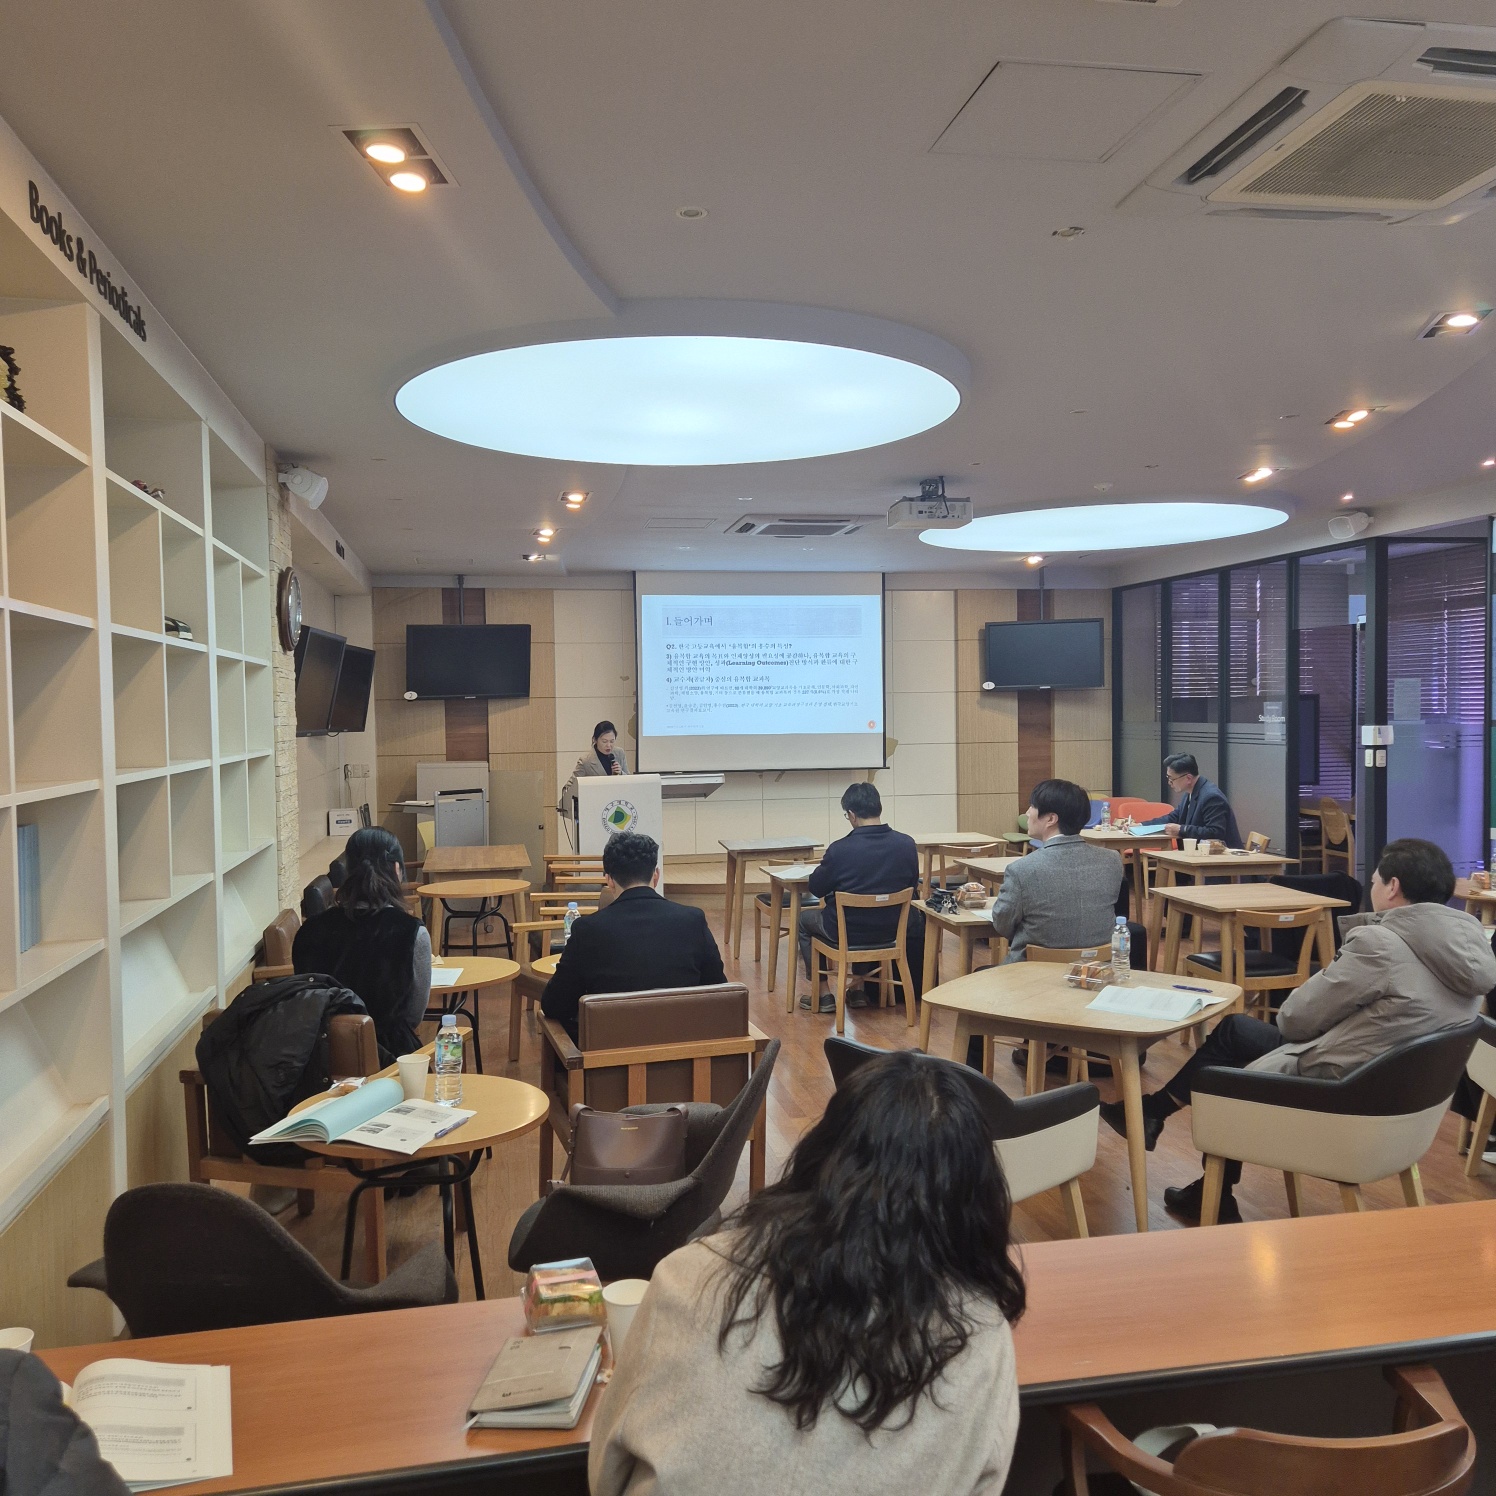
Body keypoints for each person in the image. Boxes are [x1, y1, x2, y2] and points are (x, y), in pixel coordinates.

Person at [588, 1049, 1025, 1496]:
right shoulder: (981, 1337)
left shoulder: (688, 1278)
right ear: (975, 1200)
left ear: (821, 1156)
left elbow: (606, 1472)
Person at [1101, 838, 1496, 1224]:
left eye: (1375, 879)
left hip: (1342, 1092)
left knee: (1222, 1076)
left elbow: (1293, 1020)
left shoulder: (1381, 945)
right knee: (1236, 1031)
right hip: (1400, 1100)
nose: (1372, 886)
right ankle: (1167, 1133)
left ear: (1393, 887)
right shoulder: (1468, 947)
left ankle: (1199, 1173)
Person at [986, 778, 1142, 1074]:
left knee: (974, 985)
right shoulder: (1111, 861)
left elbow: (1002, 925)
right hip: (1095, 973)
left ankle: (975, 1084)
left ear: (1050, 819)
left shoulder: (1021, 869)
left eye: (1032, 807)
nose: (1027, 813)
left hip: (1033, 978)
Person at [541, 831, 725, 1041]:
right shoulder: (692, 920)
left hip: (611, 1054)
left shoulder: (587, 929)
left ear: (609, 880)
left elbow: (554, 1004)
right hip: (684, 1052)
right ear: (656, 875)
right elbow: (718, 991)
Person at [292, 826, 430, 1059]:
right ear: (397, 869)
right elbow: (414, 1015)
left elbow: (306, 1001)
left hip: (319, 1058)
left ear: (348, 871)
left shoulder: (309, 930)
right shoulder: (411, 932)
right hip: (389, 1058)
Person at [800, 783, 923, 1015]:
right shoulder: (907, 844)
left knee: (805, 921)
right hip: (893, 930)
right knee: (868, 915)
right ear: (879, 808)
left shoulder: (840, 850)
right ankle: (857, 989)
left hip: (847, 931)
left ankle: (823, 994)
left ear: (852, 815)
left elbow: (816, 887)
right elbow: (912, 884)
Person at [1161, 753, 1242, 847]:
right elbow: (1174, 817)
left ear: (1188, 778)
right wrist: (1146, 826)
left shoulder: (1211, 797)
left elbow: (1215, 832)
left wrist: (1182, 829)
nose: (1169, 783)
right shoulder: (1190, 792)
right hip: (1201, 852)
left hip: (1222, 853)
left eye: (1172, 779)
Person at [558, 720, 628, 816]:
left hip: (618, 805)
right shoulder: (586, 761)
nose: (609, 745)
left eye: (612, 741)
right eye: (604, 741)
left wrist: (621, 773)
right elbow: (571, 786)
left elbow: (629, 780)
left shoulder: (619, 753)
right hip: (595, 808)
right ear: (595, 740)